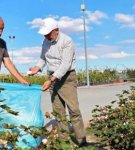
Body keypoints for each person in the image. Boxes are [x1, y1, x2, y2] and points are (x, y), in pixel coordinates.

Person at [29, 18, 87, 147]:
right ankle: (64, 140)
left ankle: (82, 141)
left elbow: (65, 65)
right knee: (58, 111)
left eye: (48, 33)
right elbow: (42, 59)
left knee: (74, 110)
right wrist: (36, 68)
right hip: (52, 77)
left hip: (66, 77)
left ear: (57, 30)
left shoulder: (67, 41)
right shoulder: (45, 41)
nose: (46, 36)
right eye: (44, 34)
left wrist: (50, 80)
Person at [0, 17, 29, 85]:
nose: (0, 32)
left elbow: (8, 64)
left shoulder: (2, 43)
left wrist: (22, 80)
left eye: (2, 29)